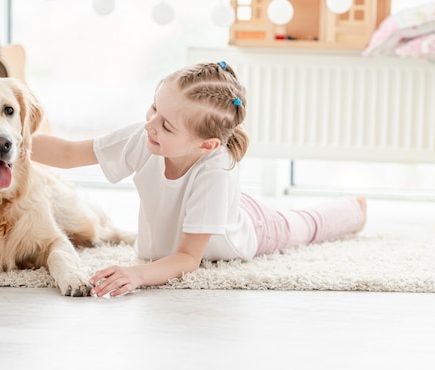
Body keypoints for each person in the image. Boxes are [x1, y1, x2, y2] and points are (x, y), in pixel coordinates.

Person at [31, 61, 367, 298]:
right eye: (153, 109)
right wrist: (8, 143)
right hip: (217, 207)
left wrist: (137, 274)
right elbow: (67, 154)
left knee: (303, 226)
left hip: (253, 226)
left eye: (166, 125)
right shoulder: (145, 138)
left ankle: (355, 207)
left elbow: (188, 259)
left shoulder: (216, 171)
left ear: (207, 145)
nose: (151, 125)